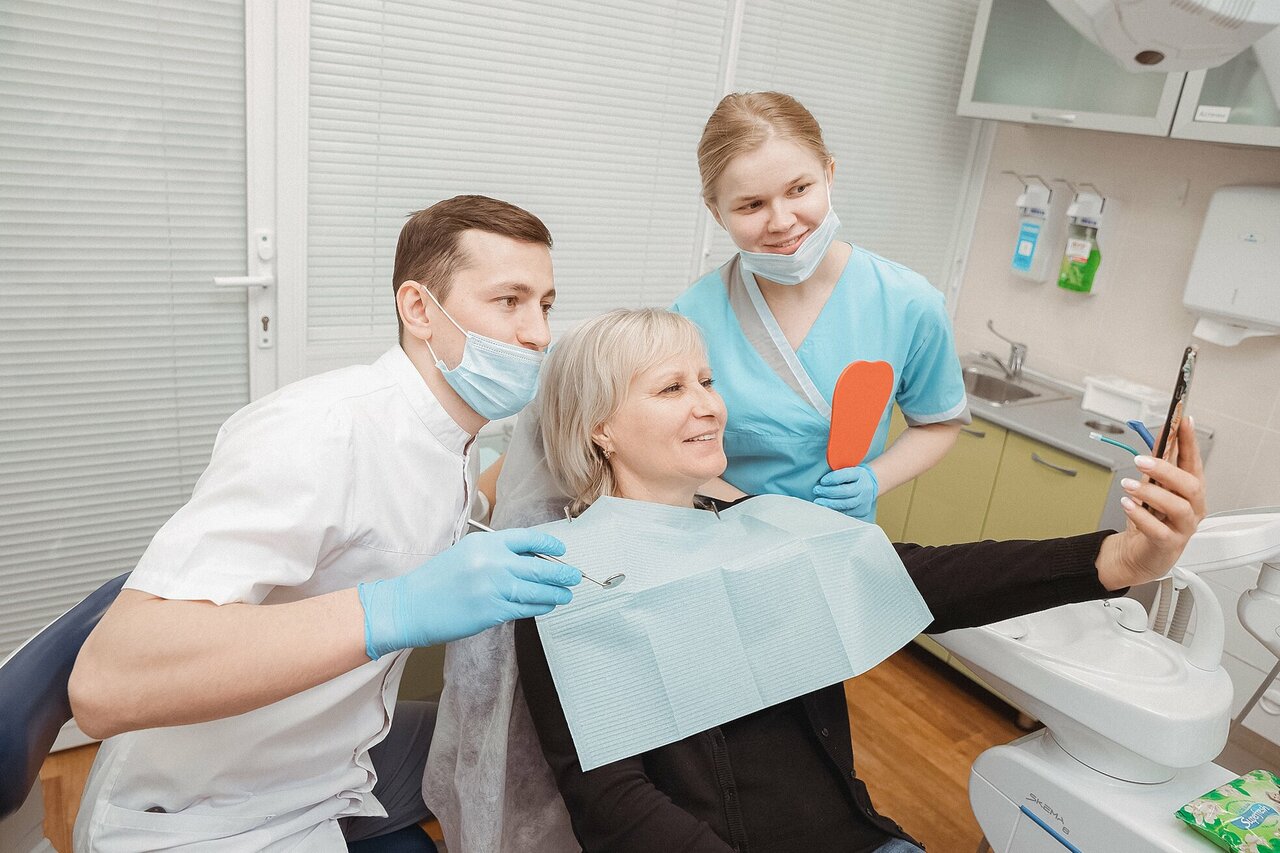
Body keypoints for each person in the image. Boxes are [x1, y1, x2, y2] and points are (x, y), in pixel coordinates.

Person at [513, 308, 1205, 853]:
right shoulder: (569, 584)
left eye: (707, 381)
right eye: (672, 388)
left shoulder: (758, 528)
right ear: (600, 428)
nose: (709, 406)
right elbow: (611, 801)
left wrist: (1119, 558)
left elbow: (927, 578)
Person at [67, 195, 583, 852]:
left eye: (545, 304)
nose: (538, 333)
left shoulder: (447, 436)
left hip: (329, 759)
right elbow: (106, 683)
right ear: (419, 309)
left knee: (507, 746)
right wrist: (390, 608)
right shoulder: (320, 431)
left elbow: (424, 513)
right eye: (509, 301)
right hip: (210, 814)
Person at [673, 92, 970, 521]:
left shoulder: (908, 302)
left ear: (829, 175)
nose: (781, 221)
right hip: (725, 529)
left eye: (799, 189)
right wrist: (751, 513)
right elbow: (666, 452)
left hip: (843, 536)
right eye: (752, 205)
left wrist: (876, 479)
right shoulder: (690, 317)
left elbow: (938, 422)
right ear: (717, 212)